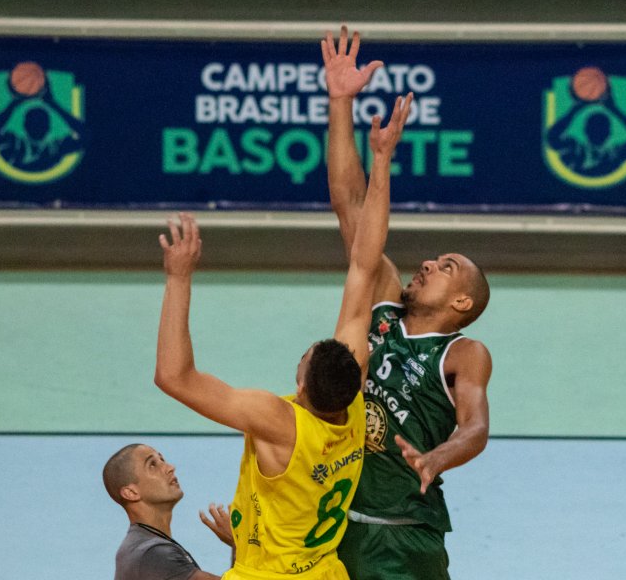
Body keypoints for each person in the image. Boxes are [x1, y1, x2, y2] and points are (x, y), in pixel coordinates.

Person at [153, 93, 411, 580]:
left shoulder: (280, 421)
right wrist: (382, 161)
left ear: (303, 384)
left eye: (303, 358)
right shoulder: (352, 403)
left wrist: (178, 278)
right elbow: (364, 261)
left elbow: (174, 376)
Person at [321, 26, 493, 580]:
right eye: (433, 259)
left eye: (447, 267)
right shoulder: (383, 304)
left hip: (404, 535)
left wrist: (437, 457)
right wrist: (340, 102)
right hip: (334, 522)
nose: (428, 265)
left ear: (463, 300)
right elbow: (350, 204)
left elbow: (476, 427)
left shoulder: (463, 352)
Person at [102, 442, 233, 580]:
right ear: (131, 492)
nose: (170, 468)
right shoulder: (152, 554)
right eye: (152, 465)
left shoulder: (142, 548)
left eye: (162, 460)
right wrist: (241, 545)